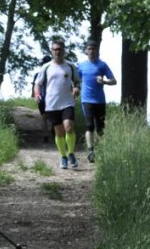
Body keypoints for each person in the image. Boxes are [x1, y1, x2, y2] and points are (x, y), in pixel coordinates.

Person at [34, 38, 81, 171]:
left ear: (64, 50)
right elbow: (38, 83)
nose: (57, 52)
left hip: (67, 102)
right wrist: (37, 94)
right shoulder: (46, 67)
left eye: (59, 49)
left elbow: (77, 81)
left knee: (69, 127)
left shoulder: (70, 66)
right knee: (59, 133)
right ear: (51, 51)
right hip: (52, 104)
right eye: (55, 49)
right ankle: (63, 157)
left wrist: (76, 88)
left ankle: (71, 153)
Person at [77, 40, 117, 162]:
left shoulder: (102, 65)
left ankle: (99, 150)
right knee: (89, 125)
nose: (91, 51)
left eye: (93, 49)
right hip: (86, 100)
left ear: (97, 51)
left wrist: (104, 81)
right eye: (89, 49)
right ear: (86, 51)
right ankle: (91, 151)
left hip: (100, 100)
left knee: (100, 128)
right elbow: (76, 80)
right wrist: (76, 88)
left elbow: (114, 81)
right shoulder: (81, 66)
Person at [31, 54, 53, 143]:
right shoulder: (52, 74)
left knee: (44, 118)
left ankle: (46, 136)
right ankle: (52, 132)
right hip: (50, 98)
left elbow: (34, 86)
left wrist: (34, 95)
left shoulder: (37, 74)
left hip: (42, 98)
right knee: (52, 116)